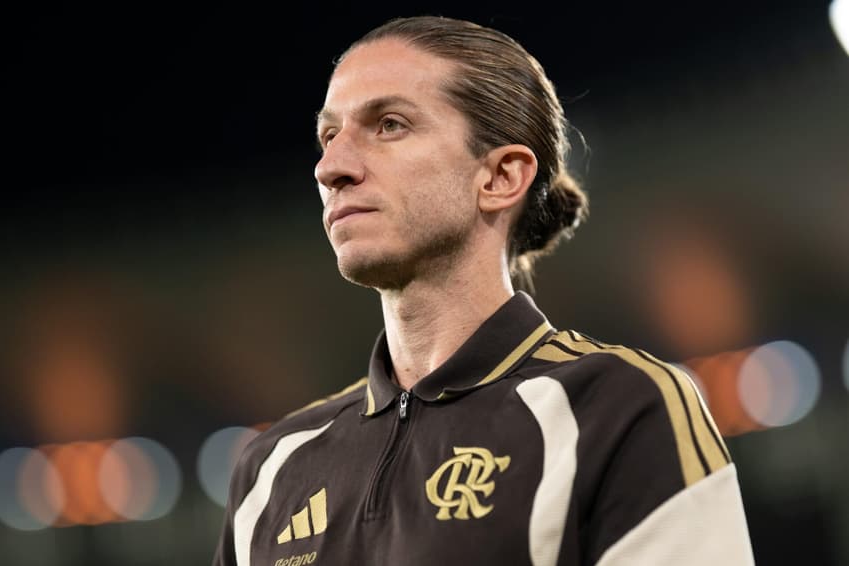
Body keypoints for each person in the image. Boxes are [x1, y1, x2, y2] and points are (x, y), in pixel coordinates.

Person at [214, 15, 754, 566]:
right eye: (329, 136)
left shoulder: (617, 406)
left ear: (500, 178)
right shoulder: (271, 468)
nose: (331, 168)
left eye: (389, 124)